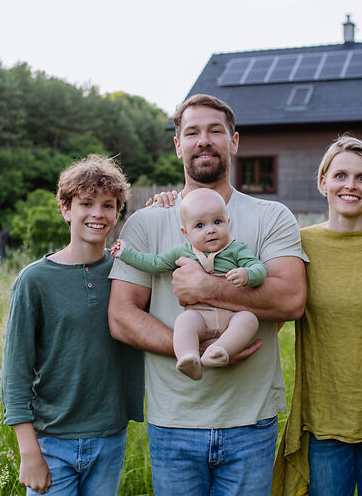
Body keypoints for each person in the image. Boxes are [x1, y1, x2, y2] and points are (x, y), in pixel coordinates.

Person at [108, 94, 307, 495]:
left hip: (250, 421)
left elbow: (291, 300)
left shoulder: (272, 216)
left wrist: (207, 287)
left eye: (216, 131)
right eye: (192, 132)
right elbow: (121, 317)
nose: (204, 140)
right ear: (178, 145)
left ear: (234, 142)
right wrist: (195, 351)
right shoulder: (148, 221)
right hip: (174, 421)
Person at [273, 136, 362, 496]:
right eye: (340, 175)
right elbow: (267, 308)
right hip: (322, 418)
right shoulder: (297, 244)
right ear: (323, 182)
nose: (350, 186)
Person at [0, 155, 144, 495]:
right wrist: (28, 450)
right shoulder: (34, 280)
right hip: (52, 442)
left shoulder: (128, 273)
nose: (98, 213)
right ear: (66, 209)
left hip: (110, 436)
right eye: (86, 203)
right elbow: (15, 370)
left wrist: (166, 207)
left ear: (118, 213)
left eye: (108, 205)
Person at [111, 187, 266, 380]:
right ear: (186, 233)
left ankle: (220, 351)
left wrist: (247, 274)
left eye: (218, 222)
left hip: (231, 314)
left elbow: (259, 269)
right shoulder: (182, 252)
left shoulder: (237, 249)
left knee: (248, 320)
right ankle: (188, 357)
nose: (210, 230)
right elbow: (154, 263)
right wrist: (125, 253)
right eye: (200, 226)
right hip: (200, 316)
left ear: (228, 223)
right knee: (184, 322)